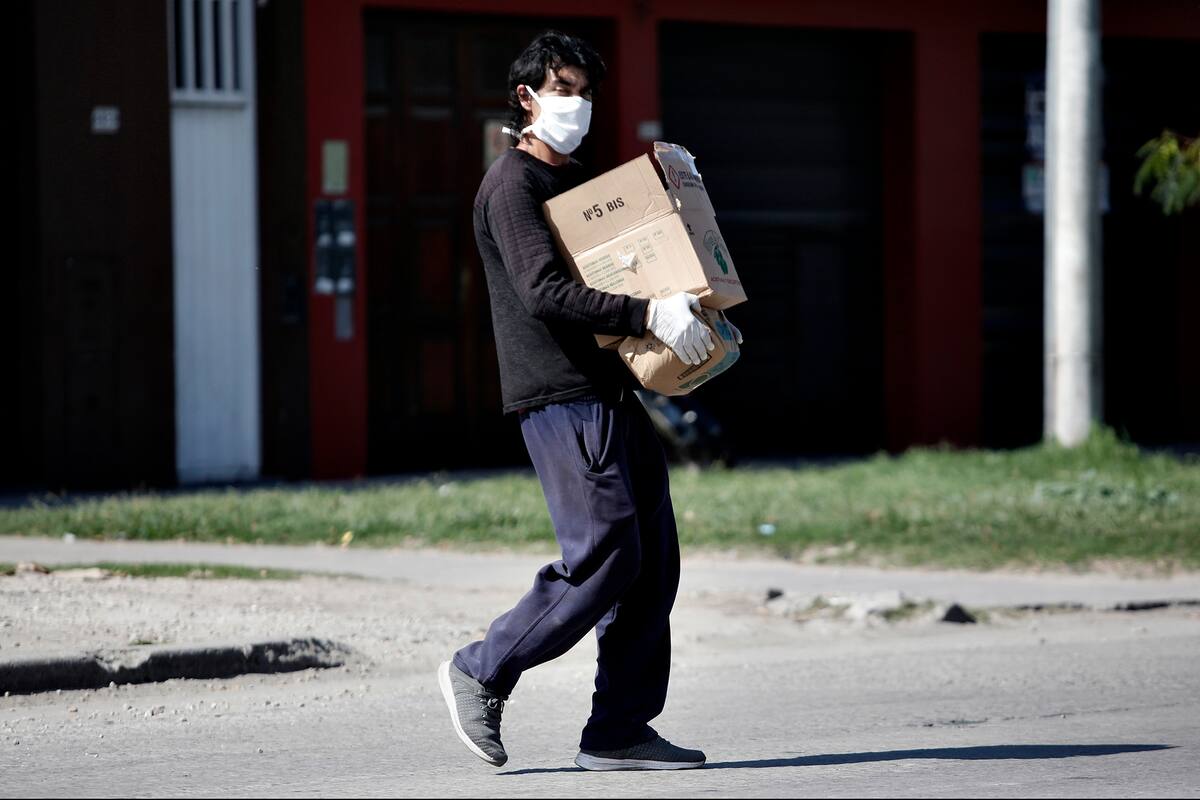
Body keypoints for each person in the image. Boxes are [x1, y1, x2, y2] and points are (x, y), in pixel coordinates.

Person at [437, 29, 739, 772]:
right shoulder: (512, 186)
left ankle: (618, 731)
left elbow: (627, 259)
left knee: (653, 563)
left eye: (586, 92)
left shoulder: (575, 186)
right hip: (560, 397)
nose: (577, 104)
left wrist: (685, 284)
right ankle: (481, 668)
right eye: (564, 89)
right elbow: (542, 292)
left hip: (609, 395)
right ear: (527, 97)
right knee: (606, 556)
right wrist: (647, 315)